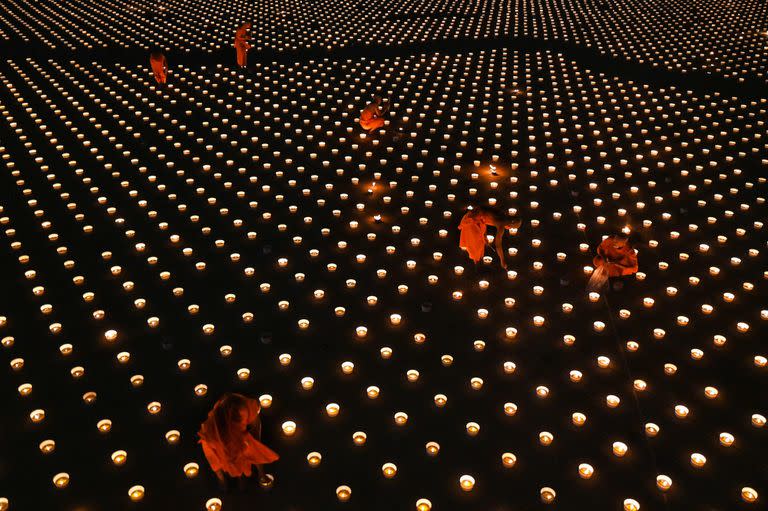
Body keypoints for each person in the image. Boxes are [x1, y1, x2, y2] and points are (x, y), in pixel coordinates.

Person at [199, 393, 278, 488]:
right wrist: (262, 473)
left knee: (222, 460)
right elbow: (256, 445)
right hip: (214, 437)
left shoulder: (232, 403)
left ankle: (225, 482)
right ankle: (231, 482)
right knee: (237, 457)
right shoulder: (246, 410)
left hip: (209, 435)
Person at [458, 205, 521, 270]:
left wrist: (484, 235)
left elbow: (484, 218)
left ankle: (477, 266)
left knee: (480, 245)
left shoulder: (503, 215)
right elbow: (498, 245)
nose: (511, 229)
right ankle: (476, 268)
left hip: (477, 220)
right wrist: (502, 260)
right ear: (511, 223)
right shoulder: (501, 224)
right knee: (476, 247)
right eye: (513, 227)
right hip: (471, 221)